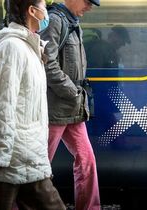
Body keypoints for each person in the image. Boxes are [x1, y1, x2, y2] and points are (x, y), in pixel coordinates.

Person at [0, 0, 66, 209]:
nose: (47, 12)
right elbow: (0, 104)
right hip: (12, 160)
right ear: (32, 11)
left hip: (28, 156)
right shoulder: (11, 47)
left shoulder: (31, 48)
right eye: (43, 6)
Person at [39, 0, 101, 209]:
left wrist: (76, 96)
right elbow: (48, 64)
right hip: (56, 108)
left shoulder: (72, 22)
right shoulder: (55, 21)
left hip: (73, 108)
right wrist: (72, 92)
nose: (90, 7)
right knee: (39, 166)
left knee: (87, 161)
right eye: (87, 2)